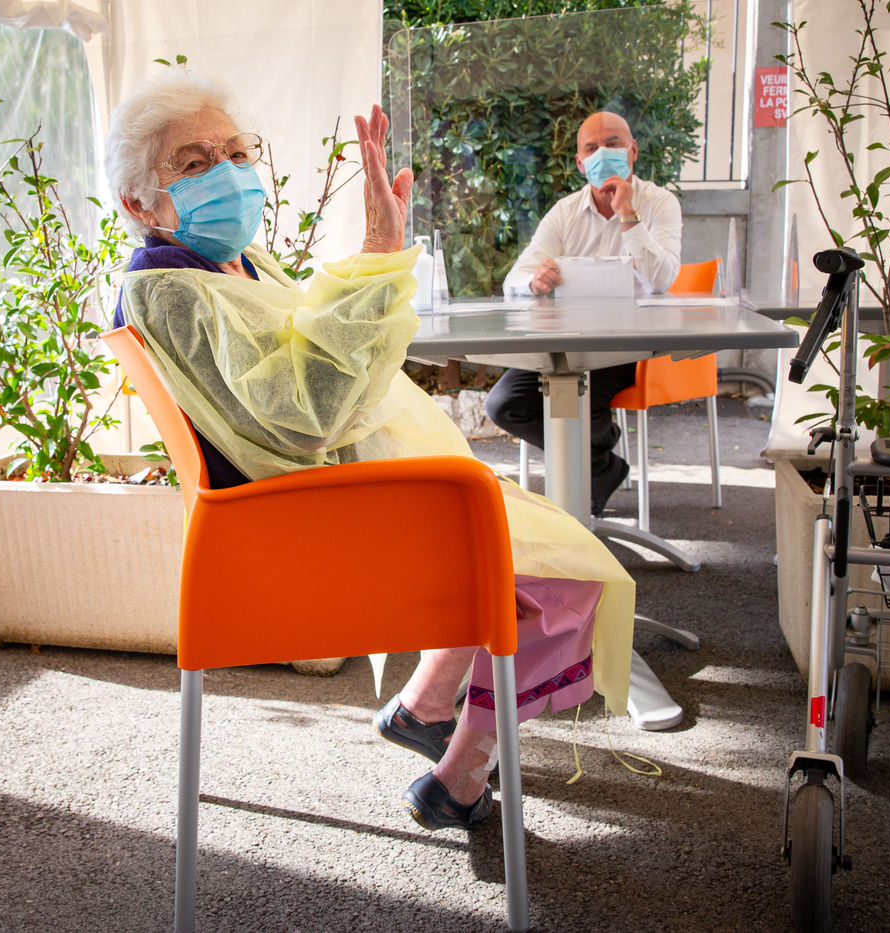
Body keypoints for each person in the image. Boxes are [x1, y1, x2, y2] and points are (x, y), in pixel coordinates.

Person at [104, 68, 634, 832]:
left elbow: (309, 358)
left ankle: (425, 706)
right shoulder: (168, 289)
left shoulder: (229, 261)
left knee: (515, 530)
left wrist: (372, 258)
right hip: (306, 533)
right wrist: (381, 252)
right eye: (194, 163)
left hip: (330, 500)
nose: (228, 173)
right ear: (137, 202)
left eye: (236, 153)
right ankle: (459, 777)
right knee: (560, 576)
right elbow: (306, 414)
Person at [486, 111, 683, 515]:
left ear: (632, 151)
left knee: (581, 402)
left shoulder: (660, 203)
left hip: (629, 346)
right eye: (591, 148)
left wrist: (627, 214)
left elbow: (662, 280)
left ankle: (579, 494)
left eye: (612, 144)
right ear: (580, 162)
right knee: (503, 405)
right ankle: (601, 464)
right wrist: (534, 281)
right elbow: (514, 279)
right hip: (564, 343)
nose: (602, 154)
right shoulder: (565, 212)